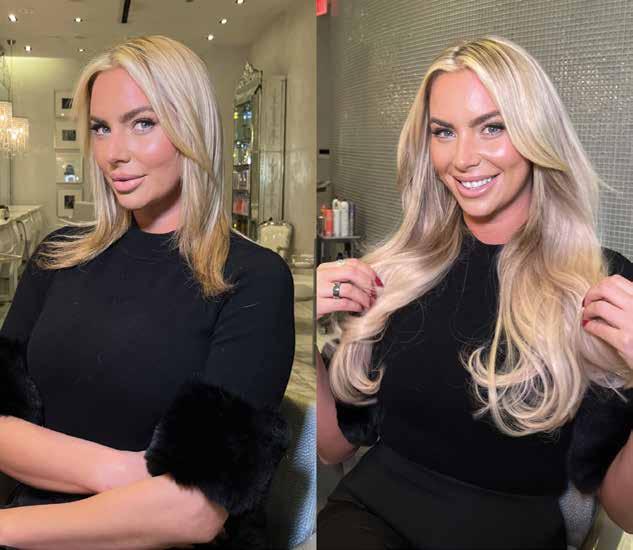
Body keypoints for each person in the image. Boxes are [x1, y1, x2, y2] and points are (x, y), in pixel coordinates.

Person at [316, 36, 633, 549]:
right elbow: (332, 447)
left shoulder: (599, 289)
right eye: (444, 132)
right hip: (367, 518)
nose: (463, 159)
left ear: (536, 133)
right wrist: (300, 328)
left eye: (492, 127)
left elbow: (625, 511)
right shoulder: (395, 275)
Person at [0, 35, 294, 549]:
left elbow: (195, 512)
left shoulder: (253, 278)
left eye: (143, 123)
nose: (115, 153)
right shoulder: (57, 254)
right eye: (101, 128)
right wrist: (122, 471)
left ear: (192, 128)